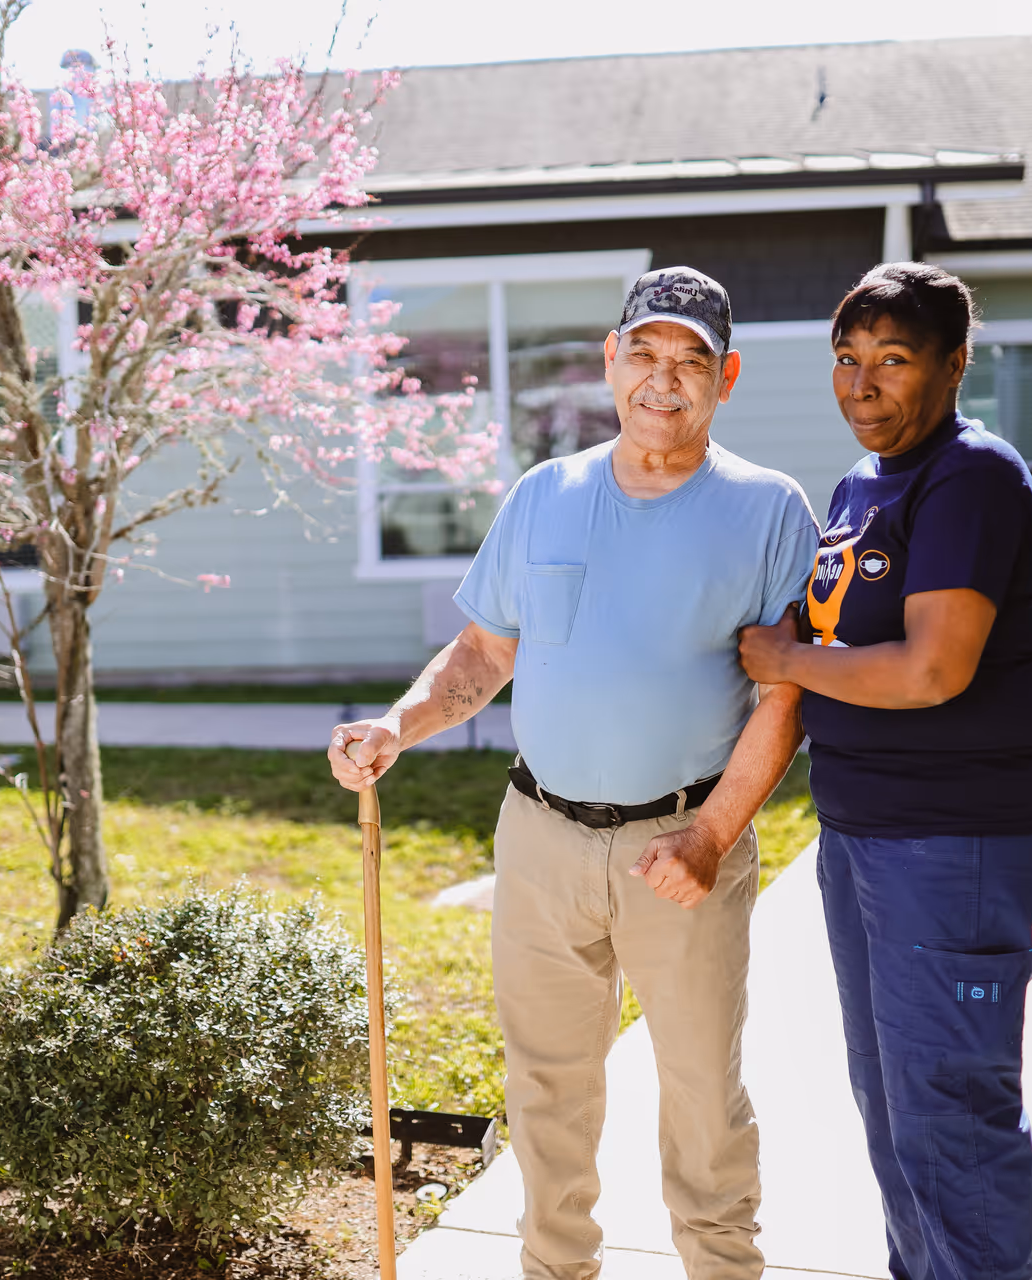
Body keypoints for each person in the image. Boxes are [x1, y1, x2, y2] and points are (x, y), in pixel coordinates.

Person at [327, 266, 814, 1280]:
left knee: (700, 1097)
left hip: (682, 843)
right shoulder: (546, 494)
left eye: (690, 360)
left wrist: (711, 836)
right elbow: (484, 651)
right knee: (546, 1089)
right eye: (644, 353)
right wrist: (397, 725)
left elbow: (787, 700)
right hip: (540, 837)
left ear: (725, 376)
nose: (663, 380)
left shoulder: (770, 510)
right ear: (611, 360)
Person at [738, 262, 1032, 1280]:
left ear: (955, 365)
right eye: (847, 358)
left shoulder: (969, 474)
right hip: (866, 833)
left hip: (953, 838)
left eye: (893, 359)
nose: (862, 383)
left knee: (951, 1114)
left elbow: (931, 668)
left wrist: (787, 660)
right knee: (894, 1106)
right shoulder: (860, 485)